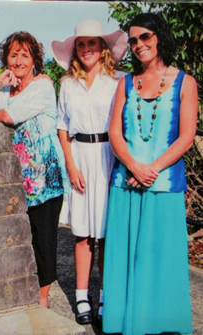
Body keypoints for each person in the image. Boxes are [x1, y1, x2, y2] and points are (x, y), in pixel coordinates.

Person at [103, 13, 197, 335]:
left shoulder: (186, 82)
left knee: (161, 261)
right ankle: (124, 325)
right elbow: (115, 133)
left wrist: (152, 169)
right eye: (133, 40)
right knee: (126, 259)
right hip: (125, 184)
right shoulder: (125, 83)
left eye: (145, 37)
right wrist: (134, 166)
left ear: (159, 37)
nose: (139, 44)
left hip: (164, 185)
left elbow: (186, 136)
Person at [0, 32, 68, 309]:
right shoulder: (5, 90)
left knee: (44, 237)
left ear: (35, 60)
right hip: (17, 179)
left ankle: (42, 298)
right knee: (17, 234)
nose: (18, 61)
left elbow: (8, 115)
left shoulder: (42, 87)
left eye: (24, 55)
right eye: (13, 55)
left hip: (44, 177)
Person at [51, 19, 127, 325]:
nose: (86, 49)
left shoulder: (120, 80)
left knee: (106, 233)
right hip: (80, 156)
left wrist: (119, 166)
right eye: (81, 44)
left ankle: (107, 294)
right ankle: (82, 295)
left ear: (103, 47)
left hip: (110, 155)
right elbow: (62, 126)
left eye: (91, 43)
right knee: (82, 233)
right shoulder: (68, 83)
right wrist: (70, 165)